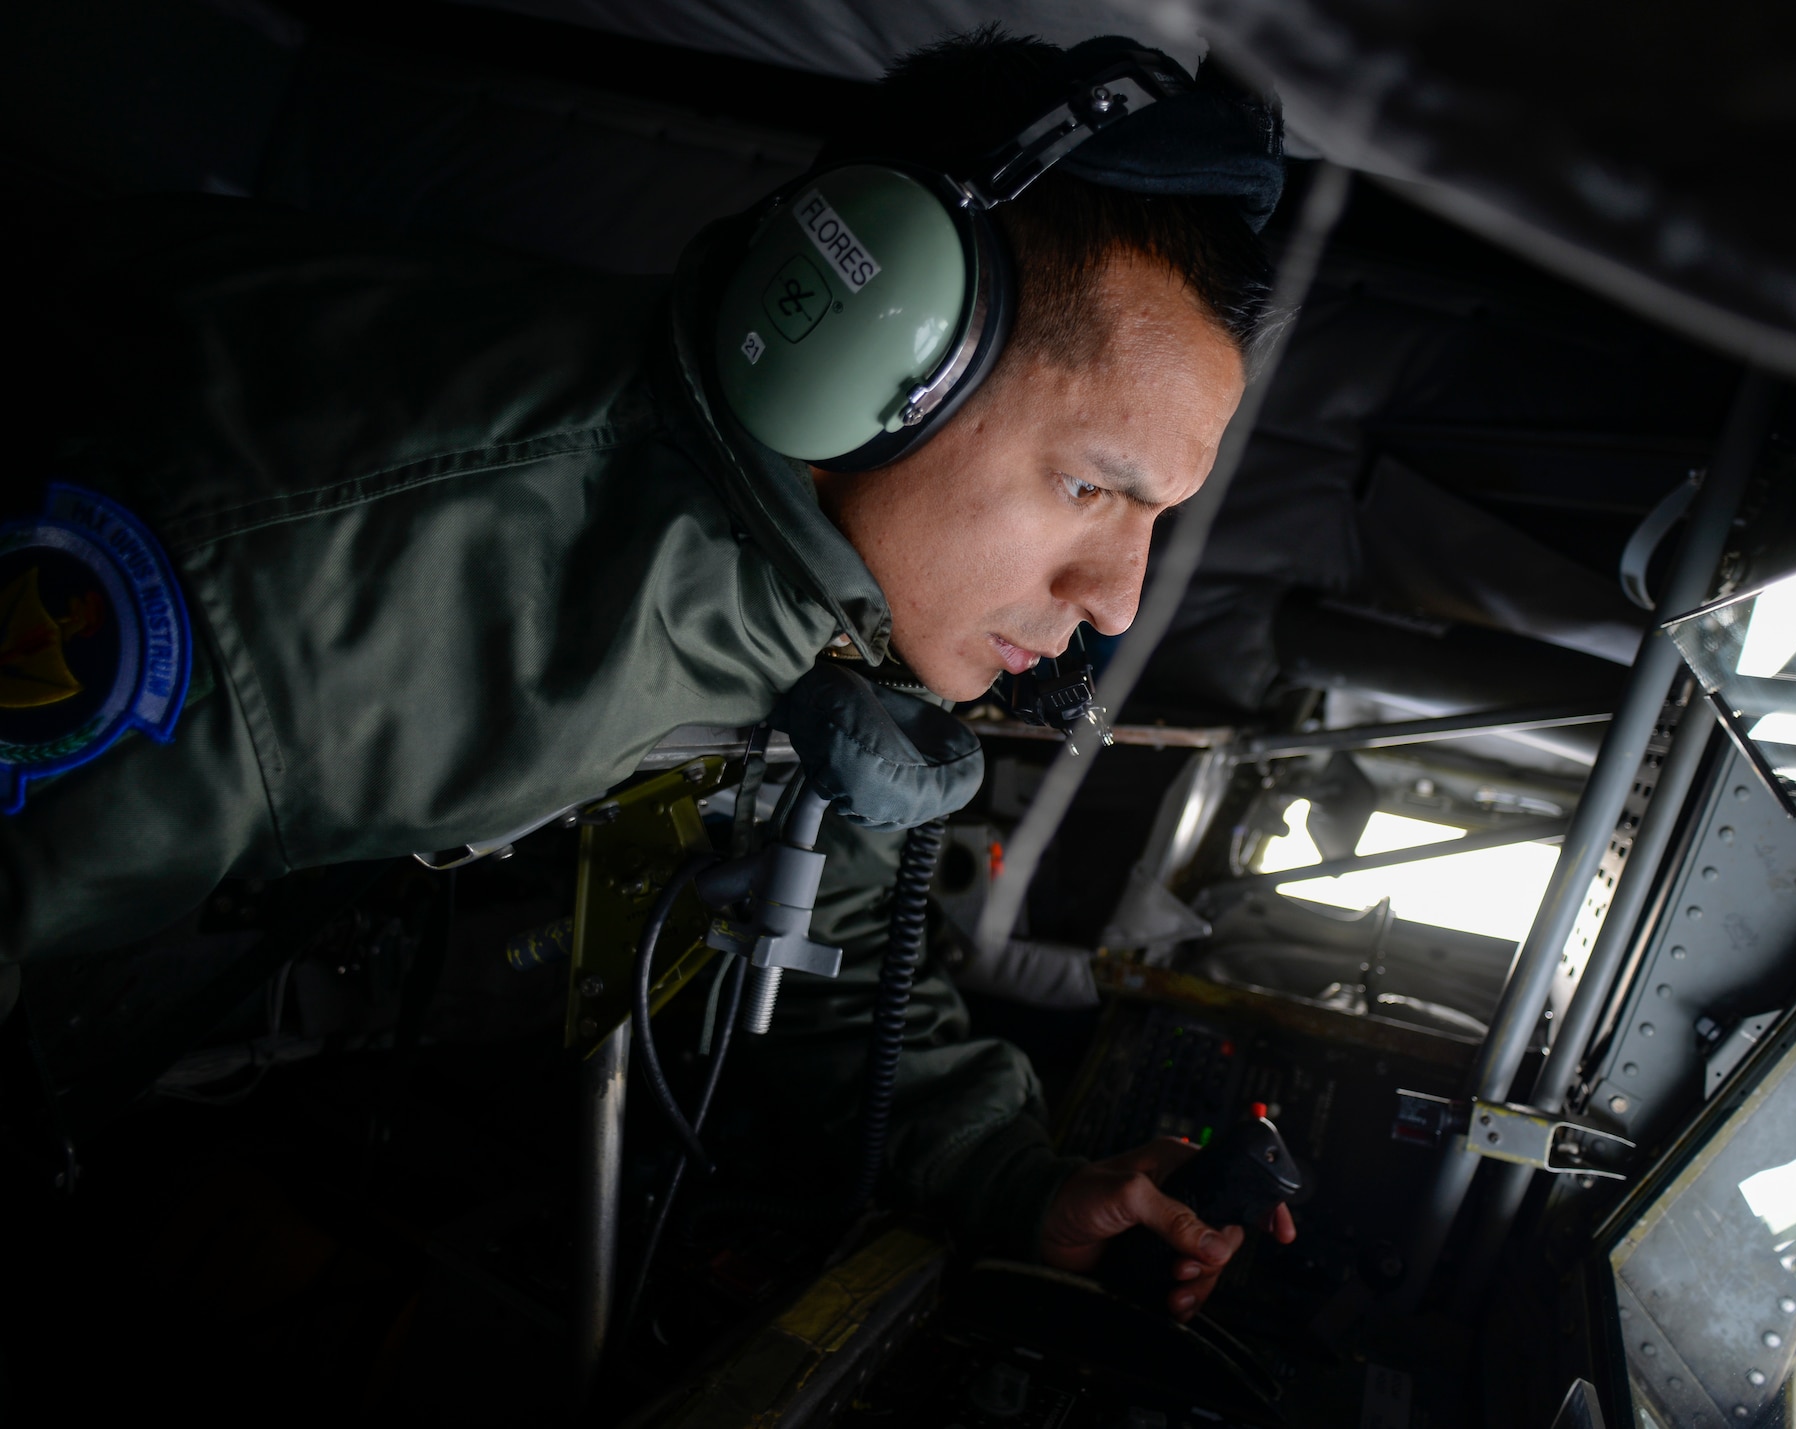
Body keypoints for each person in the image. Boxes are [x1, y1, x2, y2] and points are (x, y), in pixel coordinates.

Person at [0, 27, 1292, 1318]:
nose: (1118, 597)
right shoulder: (274, 569)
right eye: (1088, 487)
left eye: (1154, 520)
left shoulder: (799, 599)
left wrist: (1011, 1173)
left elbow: (831, 928)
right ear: (873, 350)